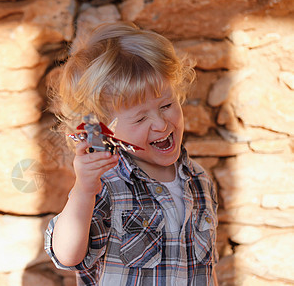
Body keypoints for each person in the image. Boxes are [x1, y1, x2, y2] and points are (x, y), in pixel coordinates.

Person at [44, 22, 218, 285]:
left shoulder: (199, 180)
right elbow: (68, 256)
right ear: (104, 129)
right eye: (139, 119)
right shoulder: (107, 185)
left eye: (167, 105)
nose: (160, 124)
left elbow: (207, 269)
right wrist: (83, 190)